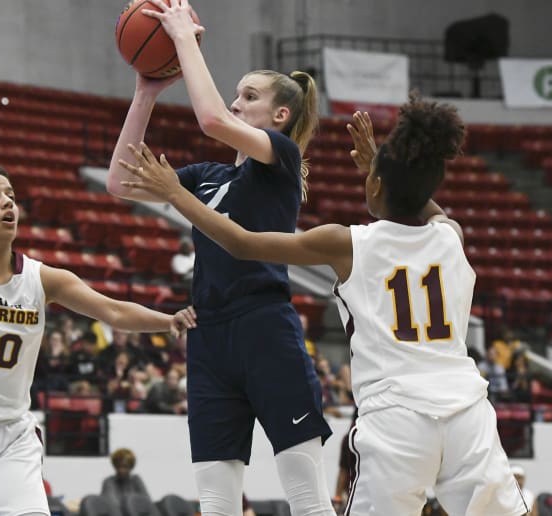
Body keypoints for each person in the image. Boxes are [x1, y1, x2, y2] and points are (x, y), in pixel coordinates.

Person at [118, 93, 530, 515]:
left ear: (374, 185)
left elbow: (242, 244)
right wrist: (384, 170)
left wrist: (176, 193)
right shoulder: (451, 236)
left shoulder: (347, 243)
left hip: (397, 415)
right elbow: (430, 208)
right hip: (467, 410)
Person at [0, 62, 196, 516]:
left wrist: (167, 319)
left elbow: (112, 311)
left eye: (10, 194)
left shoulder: (42, 278)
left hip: (11, 433)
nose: (7, 202)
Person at [106, 2, 335, 514]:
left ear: (280, 116)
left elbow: (209, 119)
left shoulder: (281, 158)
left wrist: (183, 38)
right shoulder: (209, 176)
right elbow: (119, 182)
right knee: (215, 501)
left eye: (248, 97)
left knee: (305, 493)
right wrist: (145, 92)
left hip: (264, 325)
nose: (235, 104)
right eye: (236, 94)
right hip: (209, 336)